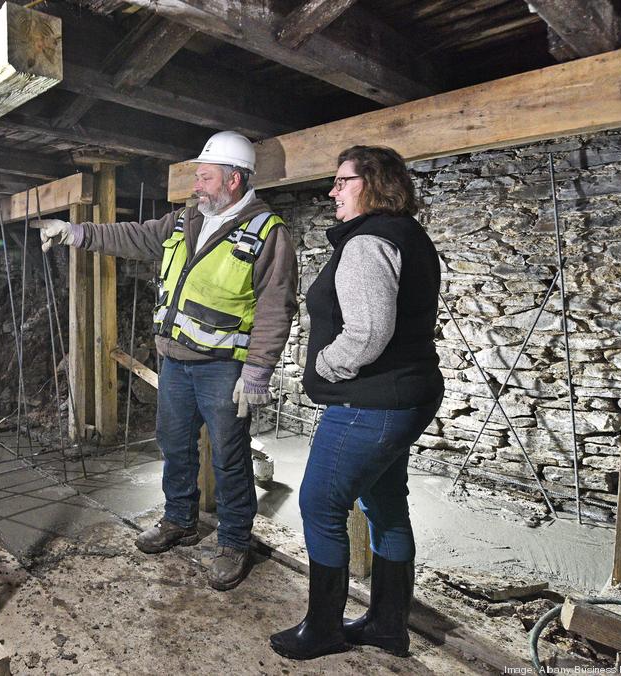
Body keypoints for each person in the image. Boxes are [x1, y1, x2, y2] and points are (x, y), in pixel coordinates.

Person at [39, 131, 299, 590]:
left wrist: (257, 370)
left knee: (229, 455)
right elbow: (134, 236)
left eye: (205, 176)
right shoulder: (187, 221)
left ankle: (235, 541)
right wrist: (76, 233)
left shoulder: (266, 233)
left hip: (223, 367)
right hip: (175, 360)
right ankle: (179, 518)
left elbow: (277, 305)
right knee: (174, 444)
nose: (196, 184)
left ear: (234, 180)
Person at [270, 146, 443, 660]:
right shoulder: (408, 235)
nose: (333, 191)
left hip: (371, 403)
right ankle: (388, 625)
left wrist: (324, 365)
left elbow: (367, 334)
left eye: (343, 181)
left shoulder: (368, 242)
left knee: (320, 504)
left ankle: (323, 628)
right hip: (406, 394)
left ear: (372, 183)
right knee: (386, 504)